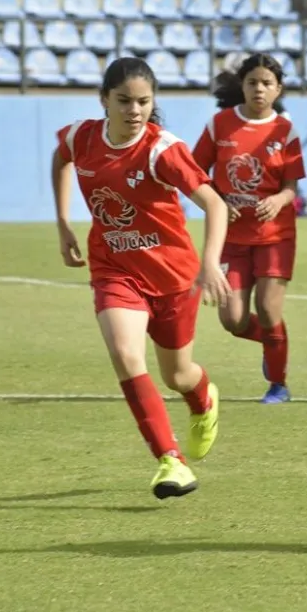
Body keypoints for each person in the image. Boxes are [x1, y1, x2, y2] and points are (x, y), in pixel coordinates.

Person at [52, 57, 232, 500]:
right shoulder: (83, 136)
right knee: (126, 355)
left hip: (172, 277)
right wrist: (63, 222)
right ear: (104, 101)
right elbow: (61, 157)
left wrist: (210, 262)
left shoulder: (161, 150)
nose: (135, 111)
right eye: (125, 101)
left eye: (144, 102)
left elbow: (215, 205)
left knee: (178, 375)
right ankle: (170, 459)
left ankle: (203, 396)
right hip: (114, 269)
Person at [193, 54, 306, 405]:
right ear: (242, 86)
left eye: (267, 83)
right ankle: (275, 343)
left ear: (278, 89)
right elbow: (195, 174)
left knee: (270, 310)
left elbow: (291, 187)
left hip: (276, 237)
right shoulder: (220, 124)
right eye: (252, 82)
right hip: (231, 239)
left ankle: (278, 384)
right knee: (234, 320)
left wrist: (278, 201)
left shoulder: (285, 131)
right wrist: (217, 202)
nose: (259, 89)